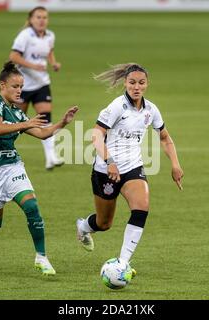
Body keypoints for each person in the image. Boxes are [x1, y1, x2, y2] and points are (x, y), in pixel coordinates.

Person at [0, 61, 78, 276]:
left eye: (21, 86)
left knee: (32, 207)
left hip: (12, 167)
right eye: (15, 86)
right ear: (2, 86)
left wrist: (62, 122)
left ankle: (41, 257)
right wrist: (26, 124)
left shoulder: (16, 113)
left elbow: (42, 133)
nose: (20, 90)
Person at [76, 63, 184, 277]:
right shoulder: (116, 107)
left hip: (133, 168)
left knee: (142, 207)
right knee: (104, 223)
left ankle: (122, 263)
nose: (136, 87)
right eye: (132, 82)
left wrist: (175, 164)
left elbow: (164, 137)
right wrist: (109, 161)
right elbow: (96, 135)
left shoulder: (151, 110)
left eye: (141, 83)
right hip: (105, 171)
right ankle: (83, 227)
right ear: (125, 83)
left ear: (147, 84)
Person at [9, 6, 64, 170]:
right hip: (23, 86)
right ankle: (5, 152)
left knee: (46, 118)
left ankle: (50, 157)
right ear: (31, 19)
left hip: (42, 83)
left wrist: (53, 63)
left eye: (45, 17)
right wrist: (33, 66)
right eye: (38, 17)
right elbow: (13, 56)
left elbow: (49, 52)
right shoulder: (25, 35)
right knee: (16, 121)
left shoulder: (50, 36)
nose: (42, 20)